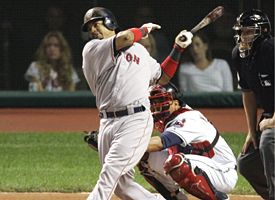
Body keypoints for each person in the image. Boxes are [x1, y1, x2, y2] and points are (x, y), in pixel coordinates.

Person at [81, 6, 193, 200]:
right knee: (122, 187)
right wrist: (143, 30)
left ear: (109, 22)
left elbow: (162, 76)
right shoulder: (92, 49)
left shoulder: (139, 50)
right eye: (89, 27)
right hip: (107, 122)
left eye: (95, 24)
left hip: (135, 119)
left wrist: (177, 49)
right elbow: (125, 38)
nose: (92, 30)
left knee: (110, 173)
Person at [138, 84, 237, 200]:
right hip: (199, 165)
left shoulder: (188, 118)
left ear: (175, 103)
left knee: (176, 162)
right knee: (144, 157)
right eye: (153, 103)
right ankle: (176, 197)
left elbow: (159, 143)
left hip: (222, 172)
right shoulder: (170, 119)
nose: (156, 107)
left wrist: (125, 146)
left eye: (160, 101)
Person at [232, 9, 274, 200]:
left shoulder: (271, 50)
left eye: (248, 31)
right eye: (240, 32)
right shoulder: (238, 55)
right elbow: (247, 93)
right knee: (247, 163)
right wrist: (251, 130)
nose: (242, 36)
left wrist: (273, 121)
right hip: (269, 114)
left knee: (269, 141)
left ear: (263, 31)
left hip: (273, 117)